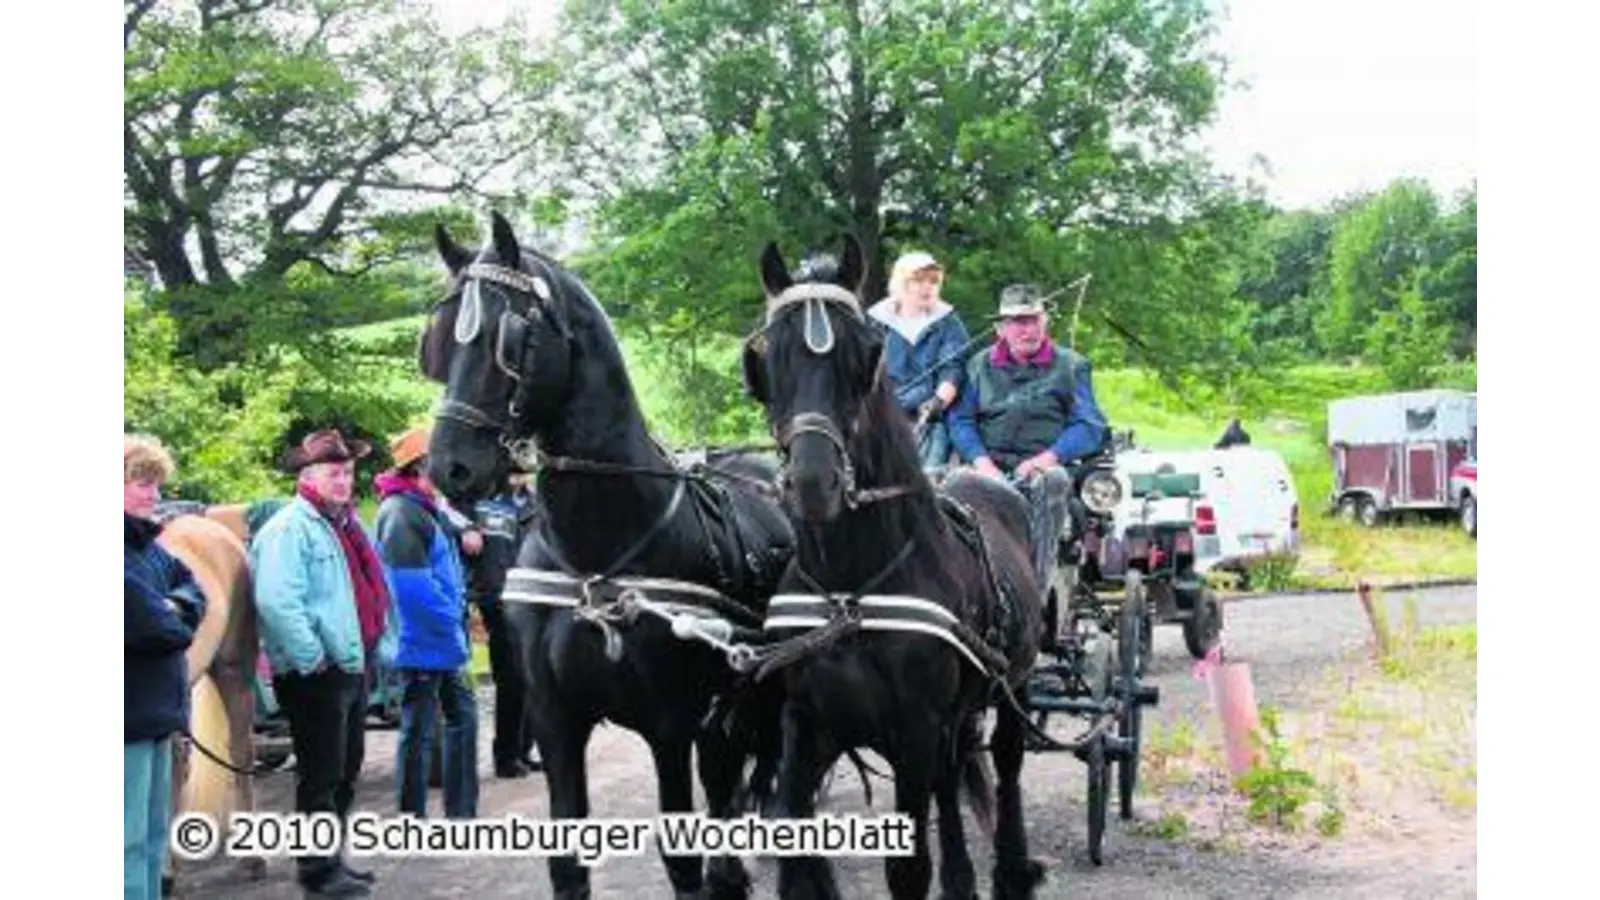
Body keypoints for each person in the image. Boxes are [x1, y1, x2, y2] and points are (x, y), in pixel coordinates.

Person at [251, 428, 391, 898]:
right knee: (321, 775)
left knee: (346, 769)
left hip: (349, 665)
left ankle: (331, 860)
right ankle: (315, 872)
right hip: (317, 674)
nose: (344, 480)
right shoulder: (290, 529)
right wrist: (313, 658)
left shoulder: (341, 524)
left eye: (348, 472)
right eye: (334, 472)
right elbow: (276, 602)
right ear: (308, 475)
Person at [946, 283, 1110, 589]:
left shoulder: (1072, 365)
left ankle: (1035, 586)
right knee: (955, 484)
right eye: (1017, 323)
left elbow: (1089, 425)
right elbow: (960, 421)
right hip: (989, 468)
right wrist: (982, 464)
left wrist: (1046, 459)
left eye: (1033, 320)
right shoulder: (977, 366)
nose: (1027, 330)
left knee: (1055, 481)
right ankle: (962, 585)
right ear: (1001, 329)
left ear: (1045, 322)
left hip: (1045, 469)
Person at [373, 426, 479, 819]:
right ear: (422, 465)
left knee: (447, 723)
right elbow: (412, 591)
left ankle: (456, 814)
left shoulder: (421, 505)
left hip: (434, 639)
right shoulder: (402, 512)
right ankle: (417, 815)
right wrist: (453, 624)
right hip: (424, 642)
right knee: (423, 730)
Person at [125, 435, 207, 900]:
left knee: (154, 838)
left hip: (156, 716)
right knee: (126, 843)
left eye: (156, 484)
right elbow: (161, 629)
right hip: (128, 720)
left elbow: (194, 589)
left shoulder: (148, 549)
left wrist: (174, 606)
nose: (154, 495)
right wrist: (176, 613)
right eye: (142, 483)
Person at [463, 472, 542, 777]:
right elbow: (450, 517)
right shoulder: (481, 501)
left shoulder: (536, 504)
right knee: (510, 678)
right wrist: (468, 528)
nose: (517, 473)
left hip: (533, 600)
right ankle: (506, 756)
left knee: (533, 678)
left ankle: (524, 749)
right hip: (497, 599)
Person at [867, 250, 973, 468]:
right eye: (919, 280)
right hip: (882, 416)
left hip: (929, 418)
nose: (928, 287)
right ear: (901, 283)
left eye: (933, 281)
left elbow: (953, 370)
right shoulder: (876, 322)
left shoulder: (948, 322)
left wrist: (938, 402)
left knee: (929, 473)